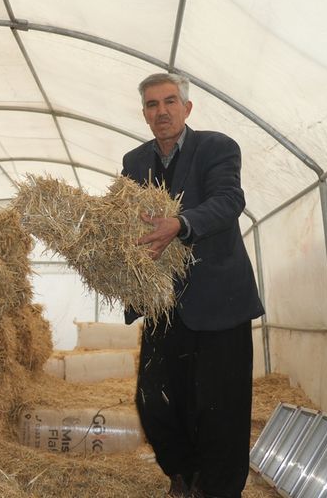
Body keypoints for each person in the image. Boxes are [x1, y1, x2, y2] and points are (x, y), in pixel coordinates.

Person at [121, 73, 265, 497]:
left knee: (221, 408)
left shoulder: (216, 147)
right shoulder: (134, 162)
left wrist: (181, 224)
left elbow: (228, 201)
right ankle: (182, 473)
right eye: (152, 104)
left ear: (187, 108)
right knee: (153, 398)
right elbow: (124, 217)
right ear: (144, 113)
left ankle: (218, 489)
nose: (161, 111)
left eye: (169, 102)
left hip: (219, 302)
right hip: (164, 306)